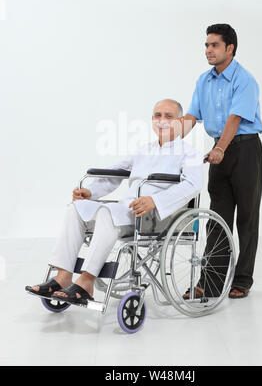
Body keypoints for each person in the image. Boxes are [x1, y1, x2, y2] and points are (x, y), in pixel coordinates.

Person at [25, 99, 202, 306]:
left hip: (156, 215)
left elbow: (192, 185)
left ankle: (86, 281)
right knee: (76, 208)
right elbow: (114, 175)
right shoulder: (143, 150)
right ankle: (62, 276)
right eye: (157, 115)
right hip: (127, 210)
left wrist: (154, 200)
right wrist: (90, 192)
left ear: (181, 121)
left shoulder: (190, 153)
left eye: (169, 116)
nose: (162, 121)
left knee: (107, 213)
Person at [181, 24, 262, 299]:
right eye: (206, 45)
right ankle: (210, 284)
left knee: (247, 219)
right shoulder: (203, 81)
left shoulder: (245, 80)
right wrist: (167, 137)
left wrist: (220, 149)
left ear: (230, 48)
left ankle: (242, 280)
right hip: (219, 151)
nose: (208, 50)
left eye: (214, 45)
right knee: (217, 219)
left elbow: (235, 119)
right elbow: (191, 117)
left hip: (245, 150)